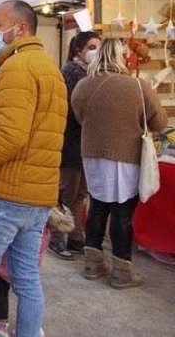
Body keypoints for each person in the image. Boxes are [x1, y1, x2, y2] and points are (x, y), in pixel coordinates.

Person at [0, 0, 67, 337]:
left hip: (5, 195)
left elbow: (11, 136)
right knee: (27, 280)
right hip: (37, 198)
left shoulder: (17, 69)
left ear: (20, 29)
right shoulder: (50, 69)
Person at [71, 38, 167, 289]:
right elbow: (159, 121)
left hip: (92, 155)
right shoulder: (137, 86)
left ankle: (92, 263)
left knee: (97, 207)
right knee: (122, 213)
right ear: (121, 56)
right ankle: (121, 271)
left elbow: (79, 116)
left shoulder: (83, 86)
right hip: (126, 156)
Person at [48, 31, 101, 260]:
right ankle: (57, 238)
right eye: (91, 46)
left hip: (84, 143)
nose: (95, 51)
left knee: (80, 193)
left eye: (98, 46)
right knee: (67, 192)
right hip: (71, 142)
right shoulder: (71, 72)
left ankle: (76, 236)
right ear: (79, 49)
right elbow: (71, 110)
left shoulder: (90, 73)